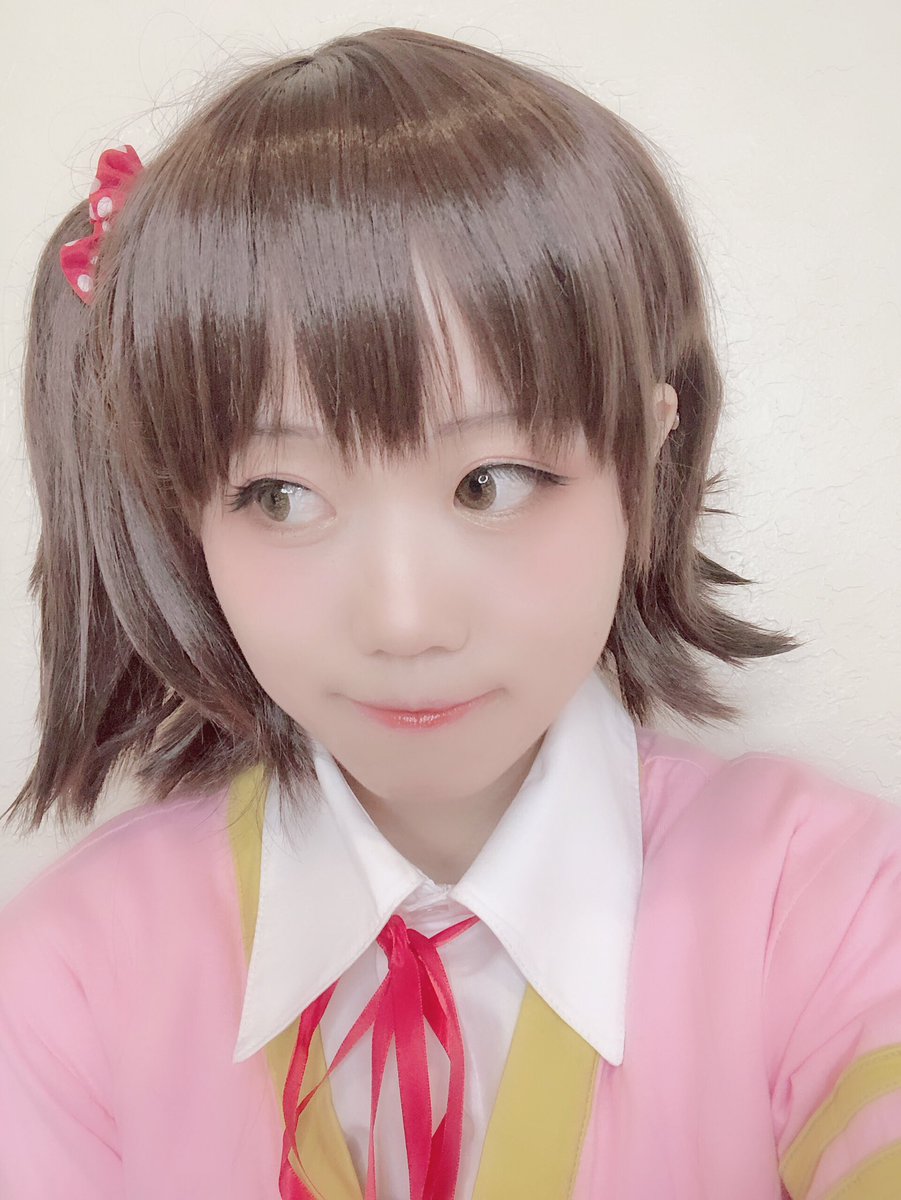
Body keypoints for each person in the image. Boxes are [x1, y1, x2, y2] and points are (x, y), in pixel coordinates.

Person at [1, 24, 899, 1200]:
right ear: (187, 515)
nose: (404, 622)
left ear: (646, 454)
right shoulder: (71, 975)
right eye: (279, 497)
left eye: (492, 482)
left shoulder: (828, 906)